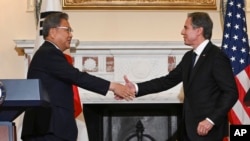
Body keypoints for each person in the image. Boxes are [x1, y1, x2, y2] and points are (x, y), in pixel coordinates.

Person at [123, 12, 238, 141]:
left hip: (208, 131)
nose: (182, 32)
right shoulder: (189, 57)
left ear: (199, 30)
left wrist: (211, 120)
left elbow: (231, 93)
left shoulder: (216, 57)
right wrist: (137, 88)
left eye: (186, 28)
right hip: (188, 130)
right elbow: (167, 81)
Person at [21, 12, 134, 141]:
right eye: (67, 30)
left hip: (51, 129)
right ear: (53, 32)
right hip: (48, 129)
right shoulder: (48, 53)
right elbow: (77, 76)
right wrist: (113, 86)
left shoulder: (48, 53)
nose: (71, 35)